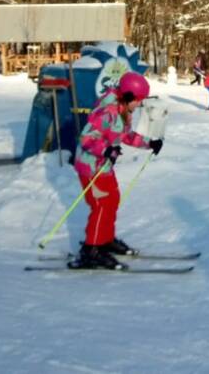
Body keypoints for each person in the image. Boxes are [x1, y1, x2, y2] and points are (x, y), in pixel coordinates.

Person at [69, 71, 163, 270]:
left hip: (103, 165)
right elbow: (86, 138)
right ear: (128, 96)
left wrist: (149, 143)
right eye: (137, 101)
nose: (139, 105)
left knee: (112, 200)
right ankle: (92, 249)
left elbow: (125, 135)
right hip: (91, 165)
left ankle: (105, 240)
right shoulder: (108, 111)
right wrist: (106, 149)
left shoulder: (122, 110)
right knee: (101, 204)